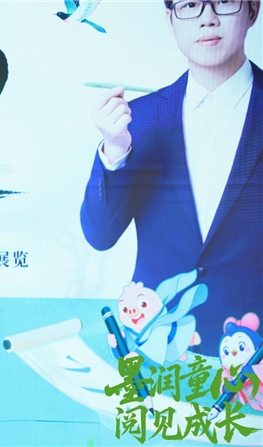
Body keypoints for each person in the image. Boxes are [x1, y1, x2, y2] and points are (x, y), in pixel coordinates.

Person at [81, 0, 262, 350]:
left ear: (252, 10)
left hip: (253, 350)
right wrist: (114, 150)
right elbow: (99, 235)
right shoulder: (137, 121)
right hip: (159, 349)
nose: (207, 19)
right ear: (170, 19)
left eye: (223, 2)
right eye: (190, 4)